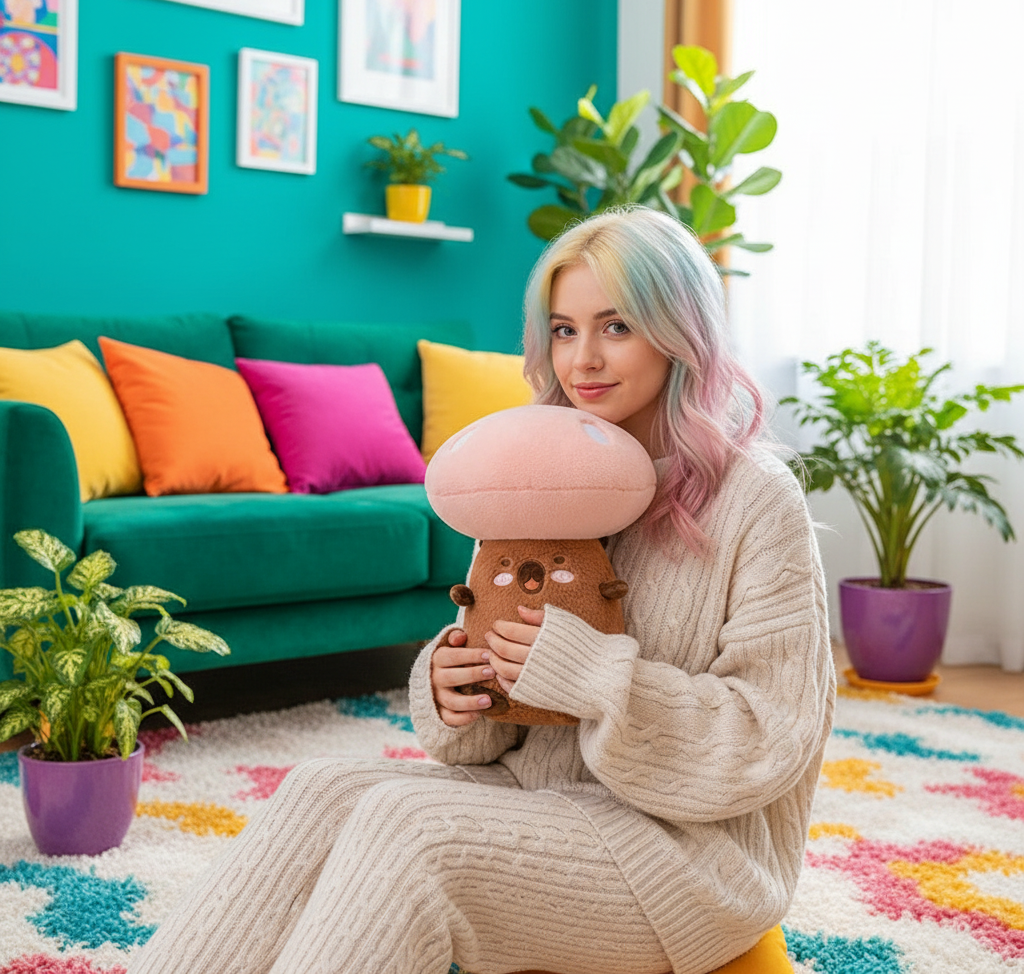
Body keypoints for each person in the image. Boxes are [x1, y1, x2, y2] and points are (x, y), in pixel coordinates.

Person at [127, 205, 835, 974]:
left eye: (617, 326)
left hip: (688, 860)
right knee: (319, 790)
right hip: (541, 798)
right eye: (564, 330)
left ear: (681, 330)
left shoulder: (757, 496)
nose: (584, 359)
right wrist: (454, 684)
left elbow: (772, 737)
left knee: (409, 826)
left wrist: (595, 672)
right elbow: (481, 741)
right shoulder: (538, 473)